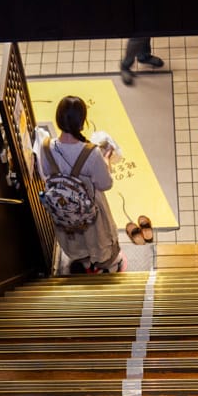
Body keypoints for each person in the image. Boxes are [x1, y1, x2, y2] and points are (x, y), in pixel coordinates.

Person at [39, 95, 124, 274]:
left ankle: (85, 263)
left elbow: (46, 174)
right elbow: (105, 184)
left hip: (65, 211)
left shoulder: (46, 147)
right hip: (91, 210)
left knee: (77, 241)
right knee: (98, 238)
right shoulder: (91, 153)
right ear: (82, 121)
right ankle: (105, 265)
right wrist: (106, 158)